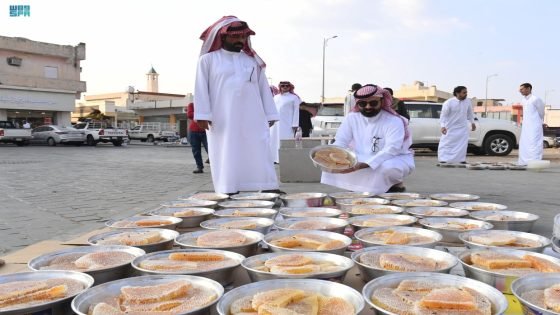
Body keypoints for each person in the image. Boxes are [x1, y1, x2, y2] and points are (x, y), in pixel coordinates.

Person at [194, 16, 280, 194]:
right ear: (223, 37)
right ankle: (228, 188)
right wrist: (202, 114)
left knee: (258, 148)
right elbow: (201, 87)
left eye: (243, 36)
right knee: (226, 151)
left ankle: (266, 186)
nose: (240, 40)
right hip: (222, 117)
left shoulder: (252, 61)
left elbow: (263, 88)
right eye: (235, 37)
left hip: (253, 115)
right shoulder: (208, 60)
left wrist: (270, 114)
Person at [321, 84, 415, 193]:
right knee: (332, 164)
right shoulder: (351, 118)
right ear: (357, 103)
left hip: (394, 158)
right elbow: (341, 140)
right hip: (361, 155)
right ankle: (357, 189)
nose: (368, 107)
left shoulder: (393, 121)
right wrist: (331, 156)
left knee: (387, 168)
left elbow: (392, 148)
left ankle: (395, 185)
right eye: (362, 103)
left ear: (382, 101)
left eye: (373, 103)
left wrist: (365, 164)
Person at [437, 86, 476, 164]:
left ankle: (461, 160)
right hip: (450, 127)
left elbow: (470, 113)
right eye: (464, 92)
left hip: (463, 127)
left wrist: (472, 123)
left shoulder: (468, 101)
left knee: (462, 144)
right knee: (446, 143)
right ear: (457, 93)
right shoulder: (449, 102)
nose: (466, 94)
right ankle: (443, 159)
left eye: (466, 92)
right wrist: (442, 126)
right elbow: (443, 116)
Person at [270, 81, 300, 163]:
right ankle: (274, 159)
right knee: (274, 140)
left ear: (290, 87)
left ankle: (284, 159)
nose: (285, 87)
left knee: (284, 140)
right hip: (275, 124)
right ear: (280, 87)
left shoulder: (294, 98)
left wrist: (295, 124)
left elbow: (296, 112)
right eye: (283, 86)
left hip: (287, 124)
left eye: (287, 86)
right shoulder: (275, 97)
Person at [518, 83, 545, 165]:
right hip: (526, 126)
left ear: (528, 88)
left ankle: (535, 162)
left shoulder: (536, 99)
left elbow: (541, 113)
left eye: (522, 89)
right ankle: (524, 161)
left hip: (534, 125)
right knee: (525, 143)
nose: (520, 91)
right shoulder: (523, 100)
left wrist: (536, 121)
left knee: (534, 143)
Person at [186, 103, 208, 174]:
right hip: (194, 131)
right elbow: (189, 115)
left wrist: (198, 115)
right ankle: (199, 167)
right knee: (196, 151)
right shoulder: (191, 105)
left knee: (210, 149)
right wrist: (202, 114)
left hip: (206, 131)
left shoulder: (207, 104)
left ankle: (216, 165)